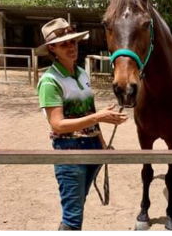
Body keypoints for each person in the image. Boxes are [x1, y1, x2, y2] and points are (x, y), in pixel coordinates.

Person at [36, 18, 128, 230]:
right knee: (72, 217)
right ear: (52, 48)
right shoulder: (50, 81)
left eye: (73, 42)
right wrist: (98, 118)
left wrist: (102, 143)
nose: (71, 47)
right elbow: (57, 125)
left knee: (77, 208)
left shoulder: (82, 74)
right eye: (64, 44)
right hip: (69, 152)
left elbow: (91, 111)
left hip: (92, 148)